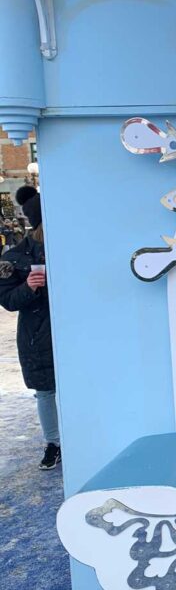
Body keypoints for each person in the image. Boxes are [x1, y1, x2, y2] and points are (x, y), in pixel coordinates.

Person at [0, 186, 60, 470]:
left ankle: (77, 438)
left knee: (76, 386)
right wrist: (28, 288)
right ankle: (54, 443)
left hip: (71, 331)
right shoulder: (15, 256)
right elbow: (8, 300)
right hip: (37, 334)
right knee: (46, 391)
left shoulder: (70, 247)